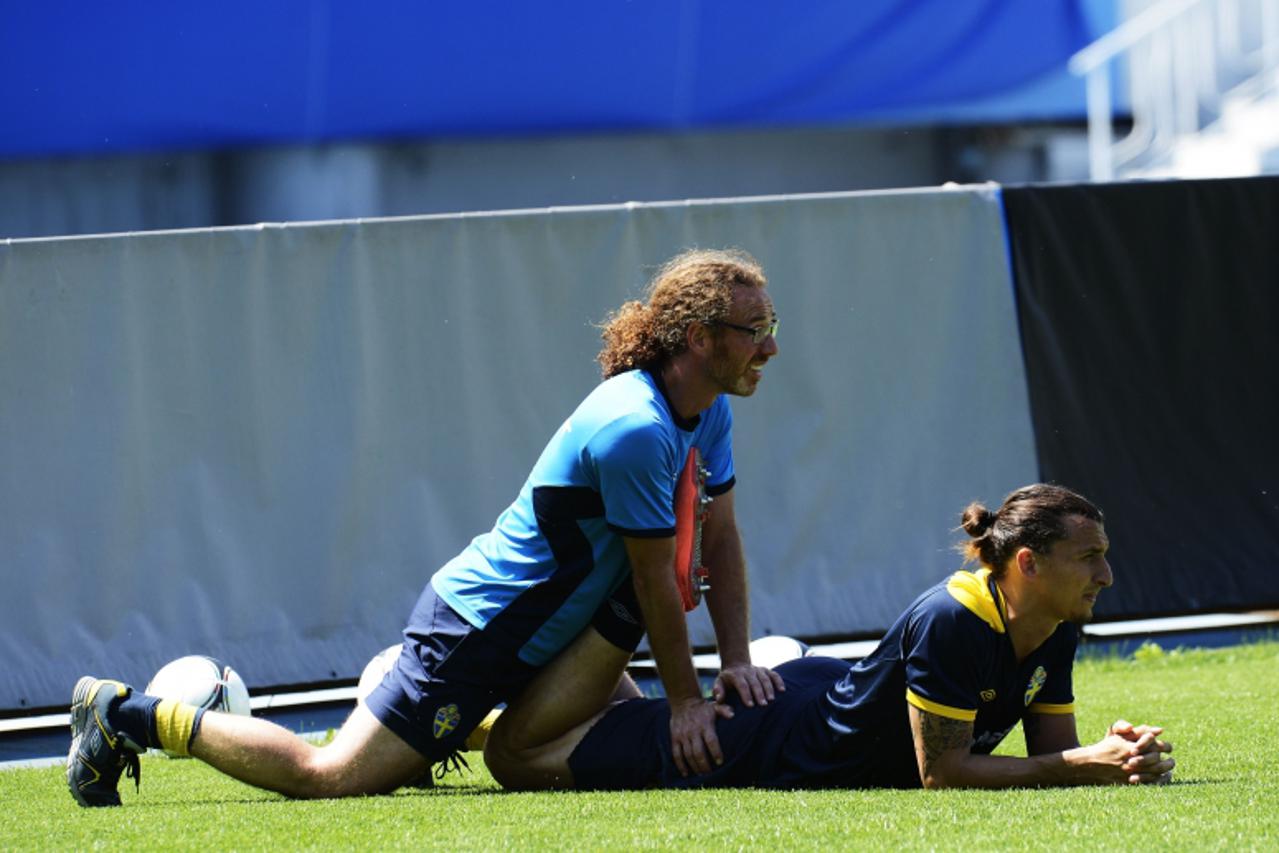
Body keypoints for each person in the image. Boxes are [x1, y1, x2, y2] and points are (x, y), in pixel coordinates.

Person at [67, 248, 785, 807]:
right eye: (755, 332)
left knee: (575, 740)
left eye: (769, 329)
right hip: (480, 627)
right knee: (332, 776)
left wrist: (735, 660)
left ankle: (421, 713)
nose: (769, 348)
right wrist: (686, 703)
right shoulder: (635, 427)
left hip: (557, 624)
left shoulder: (708, 407)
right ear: (697, 335)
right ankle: (128, 714)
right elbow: (652, 579)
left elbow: (718, 537)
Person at [483, 484, 1176, 791]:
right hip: (760, 742)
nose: (1107, 575)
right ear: (1027, 562)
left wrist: (1114, 753)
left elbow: (1053, 757)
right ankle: (465, 716)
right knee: (519, 761)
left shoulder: (1053, 622)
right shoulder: (953, 618)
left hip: (817, 690)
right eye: (1090, 558)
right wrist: (1077, 766)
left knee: (606, 726)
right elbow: (944, 774)